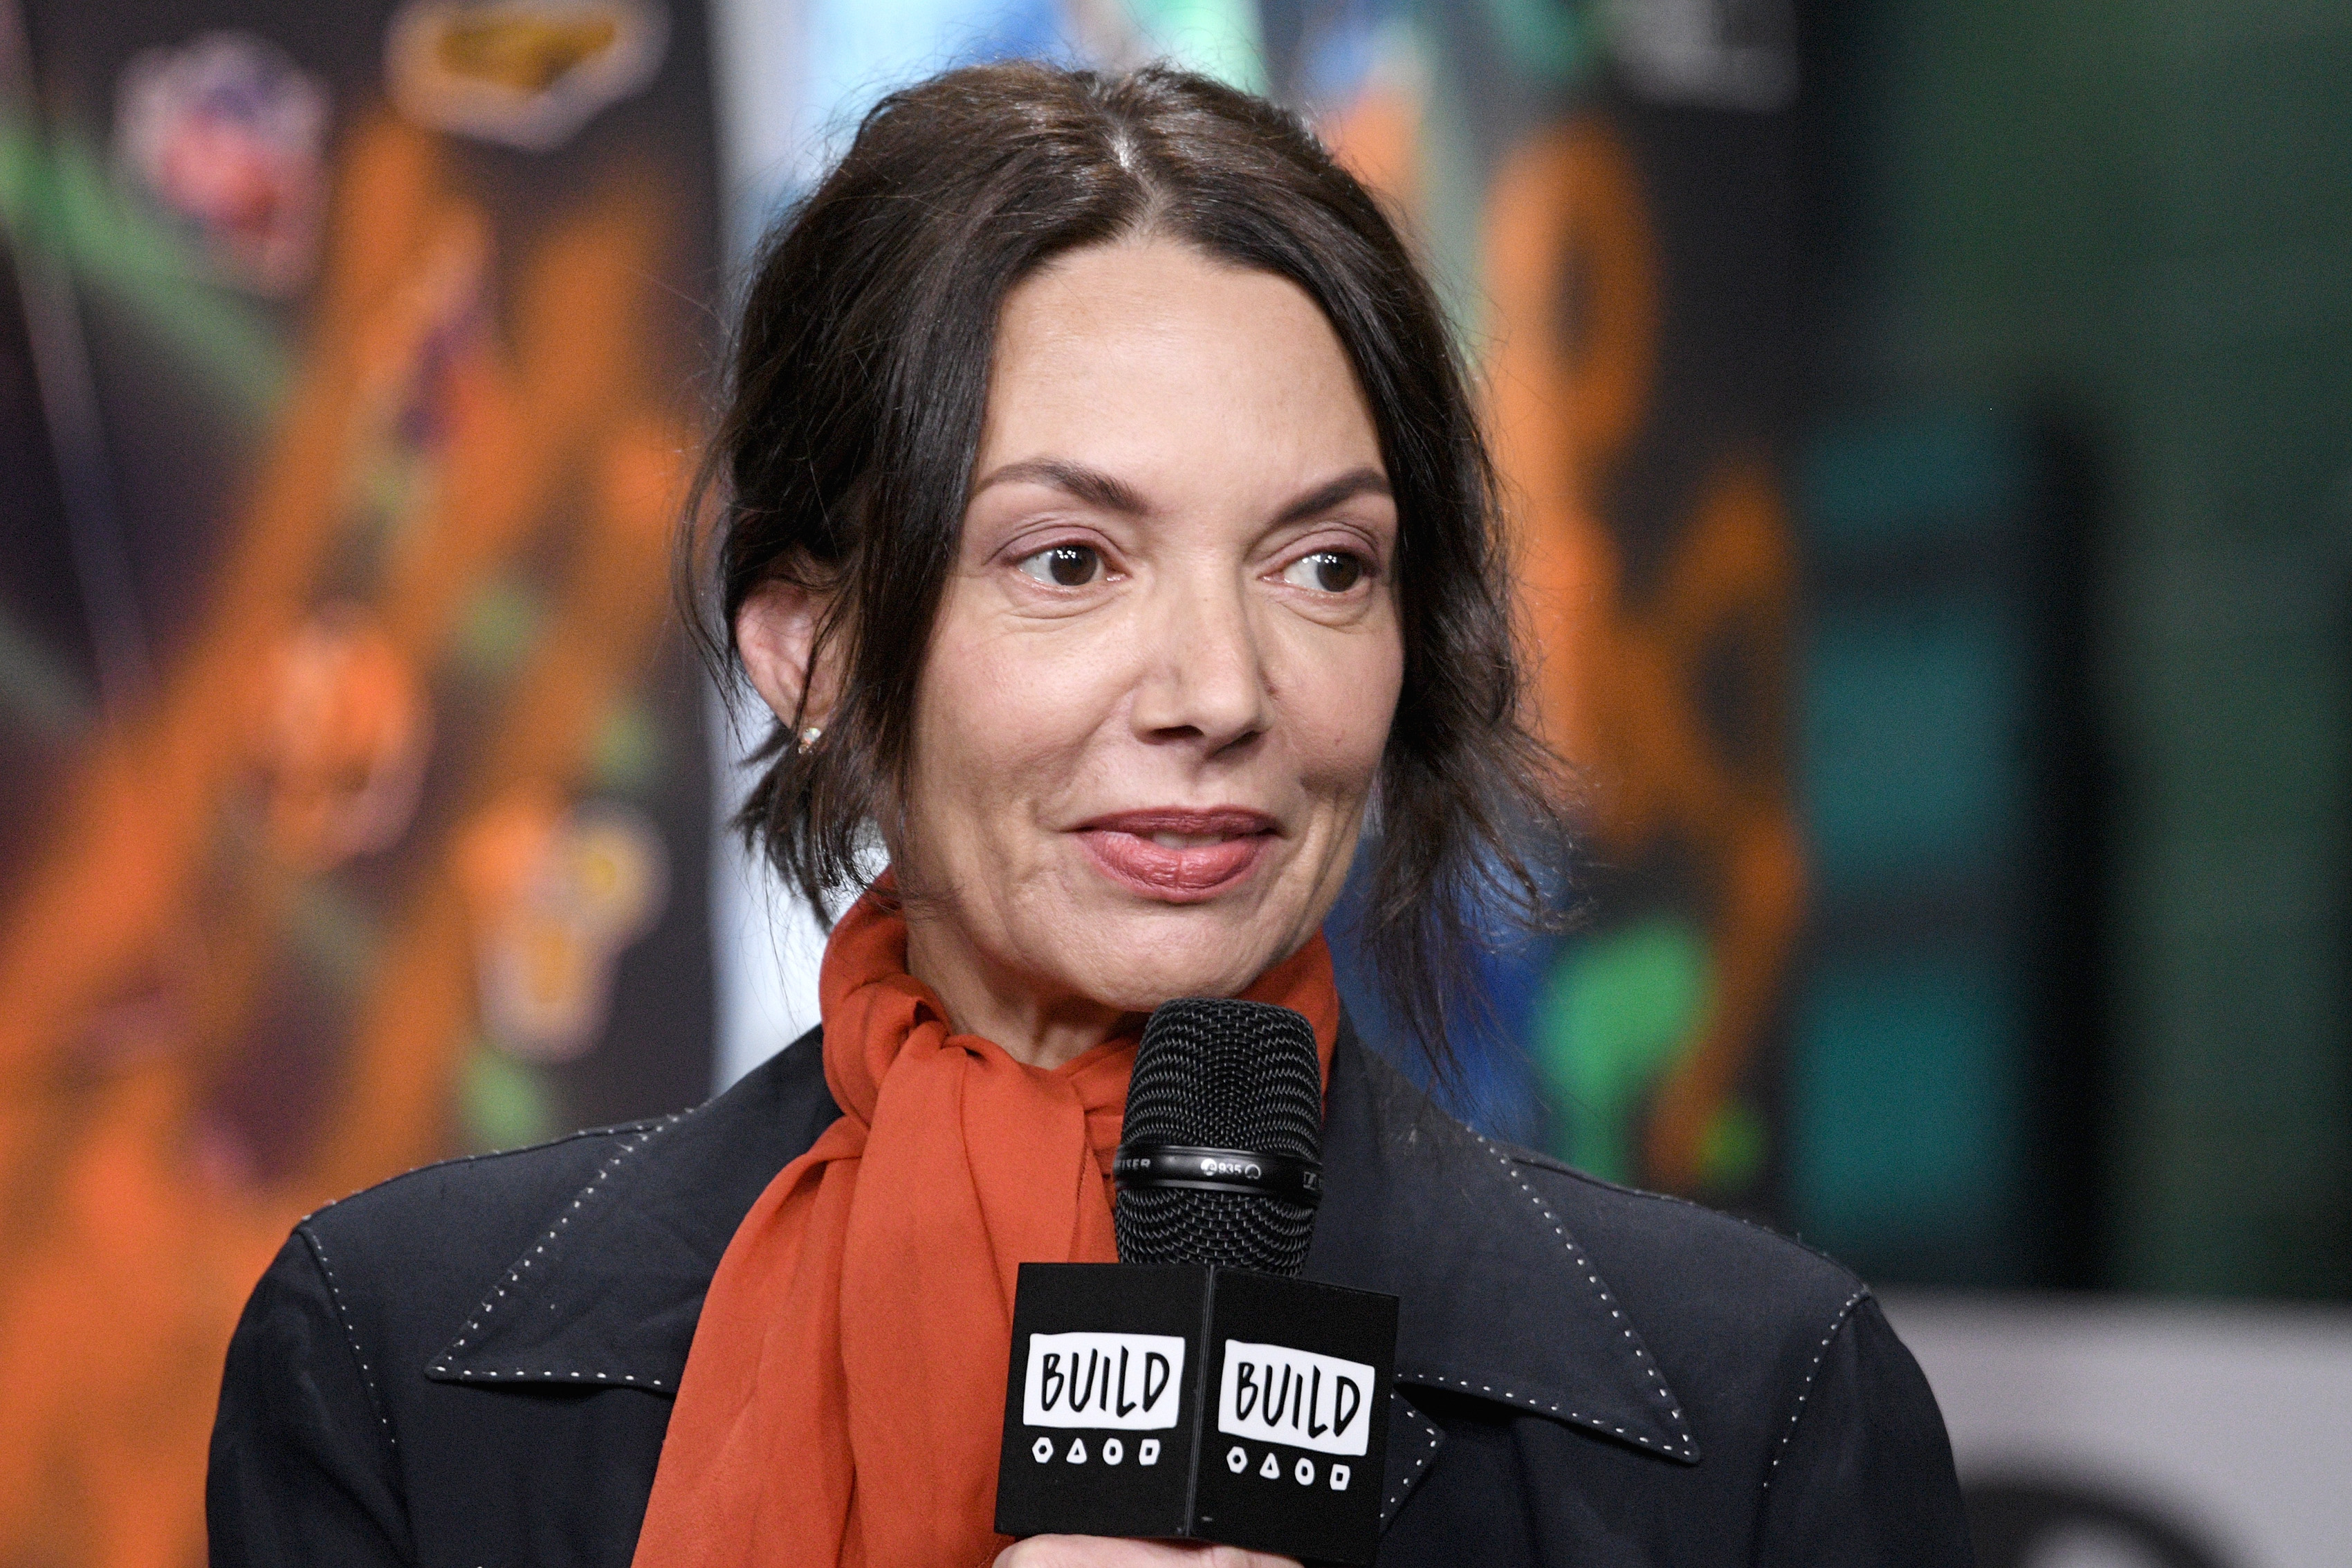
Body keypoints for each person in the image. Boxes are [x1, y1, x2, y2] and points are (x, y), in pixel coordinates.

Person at [206, 61, 1973, 1568]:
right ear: (812, 646)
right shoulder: (401, 1369)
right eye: (1068, 559)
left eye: (1322, 565)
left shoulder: (1748, 1416)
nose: (1218, 687)